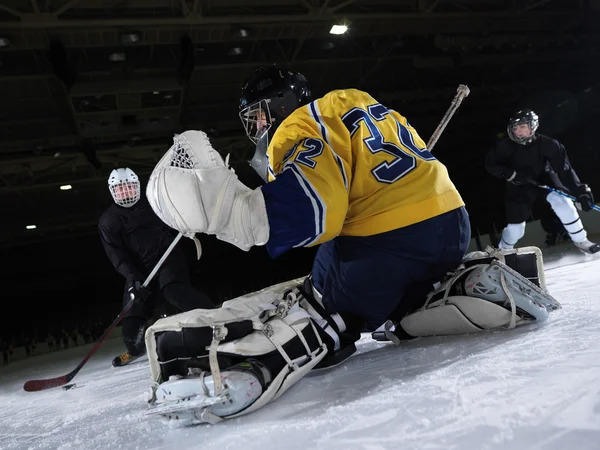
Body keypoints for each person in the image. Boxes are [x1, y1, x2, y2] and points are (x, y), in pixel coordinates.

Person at [141, 67, 562, 426]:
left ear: (278, 106)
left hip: (386, 239)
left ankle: (252, 365)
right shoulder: (355, 101)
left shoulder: (296, 126)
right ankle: (465, 287)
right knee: (399, 304)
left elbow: (316, 212)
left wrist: (231, 214)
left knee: (320, 304)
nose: (255, 130)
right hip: (450, 222)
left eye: (255, 117)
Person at [98, 167, 214, 367]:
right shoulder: (108, 221)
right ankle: (136, 350)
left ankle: (215, 317)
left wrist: (186, 220)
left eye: (129, 187)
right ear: (113, 192)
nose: (125, 193)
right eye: (120, 189)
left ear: (137, 187)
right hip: (139, 271)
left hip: (168, 258)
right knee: (131, 324)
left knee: (174, 292)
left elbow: (177, 216)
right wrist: (133, 279)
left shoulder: (154, 202)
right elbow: (117, 256)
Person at [485, 109, 599, 254]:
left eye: (522, 127)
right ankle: (502, 250)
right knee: (516, 229)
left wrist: (580, 191)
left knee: (562, 203)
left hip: (545, 179)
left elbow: (565, 170)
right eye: (515, 128)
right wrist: (509, 174)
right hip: (518, 184)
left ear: (532, 126)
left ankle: (581, 240)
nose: (518, 131)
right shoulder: (505, 146)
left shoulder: (549, 145)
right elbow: (490, 164)